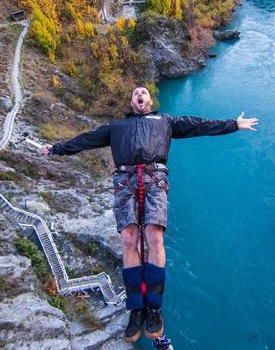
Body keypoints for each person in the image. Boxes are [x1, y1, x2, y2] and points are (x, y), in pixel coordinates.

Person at [42, 86, 259, 342]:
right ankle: (136, 308)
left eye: (143, 93)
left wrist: (232, 124)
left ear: (150, 100)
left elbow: (198, 125)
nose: (140, 96)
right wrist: (57, 148)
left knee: (154, 236)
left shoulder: (165, 121)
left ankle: (154, 308)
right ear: (132, 101)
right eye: (135, 93)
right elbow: (86, 140)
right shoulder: (117, 127)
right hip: (125, 181)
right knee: (128, 240)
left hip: (154, 178)